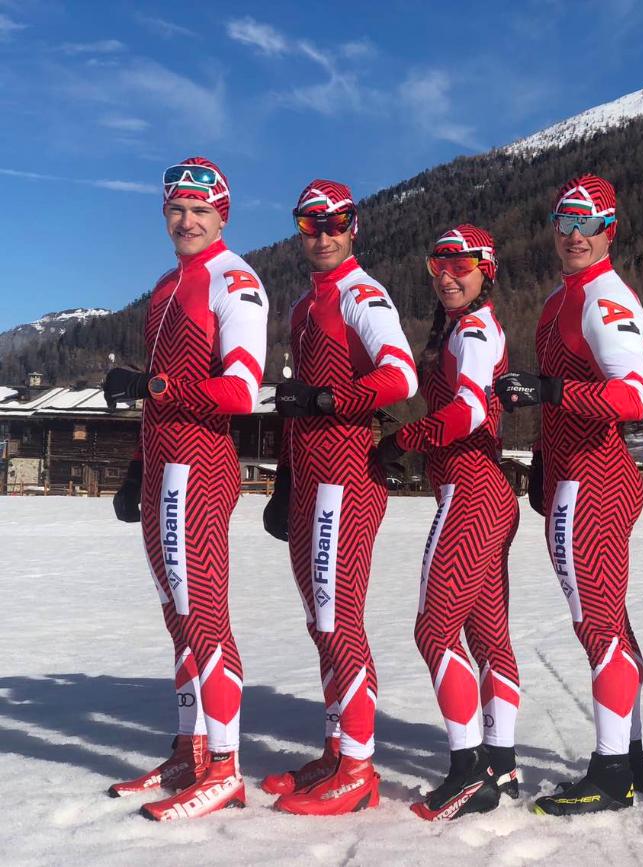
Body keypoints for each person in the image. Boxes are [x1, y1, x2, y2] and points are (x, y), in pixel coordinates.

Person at [102, 157, 268, 820]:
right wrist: (135, 467)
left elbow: (242, 388)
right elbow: (156, 396)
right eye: (177, 209)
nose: (187, 220)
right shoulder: (167, 284)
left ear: (221, 215)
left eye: (201, 210)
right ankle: (189, 750)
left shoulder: (235, 279)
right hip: (161, 465)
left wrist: (155, 386)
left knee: (204, 617)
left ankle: (225, 769)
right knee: (178, 617)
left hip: (200, 466)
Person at [260, 179, 418, 816]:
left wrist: (329, 399)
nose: (323, 235)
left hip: (347, 481)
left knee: (337, 618)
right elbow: (297, 405)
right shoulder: (304, 305)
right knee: (317, 618)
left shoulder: (361, 293)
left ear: (355, 227)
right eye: (310, 224)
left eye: (335, 223)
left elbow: (400, 374)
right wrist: (285, 480)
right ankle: (336, 749)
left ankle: (359, 767)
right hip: (309, 480)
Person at [495, 174, 643, 815]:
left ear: (610, 230)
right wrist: (540, 457)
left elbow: (632, 396)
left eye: (587, 223)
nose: (574, 235)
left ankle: (611, 772)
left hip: (597, 478)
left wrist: (553, 392)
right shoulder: (561, 299)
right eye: (565, 222)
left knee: (598, 624)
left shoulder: (605, 298)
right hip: (568, 475)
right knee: (608, 620)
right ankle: (630, 757)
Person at [375, 225, 521, 821]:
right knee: (487, 637)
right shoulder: (461, 326)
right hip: (483, 492)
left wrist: (403, 440)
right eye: (438, 265)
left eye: (462, 265)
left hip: (471, 492)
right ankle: (501, 762)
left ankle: (469, 770)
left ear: (487, 271)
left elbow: (467, 410)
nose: (447, 276)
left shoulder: (475, 329)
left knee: (434, 631)